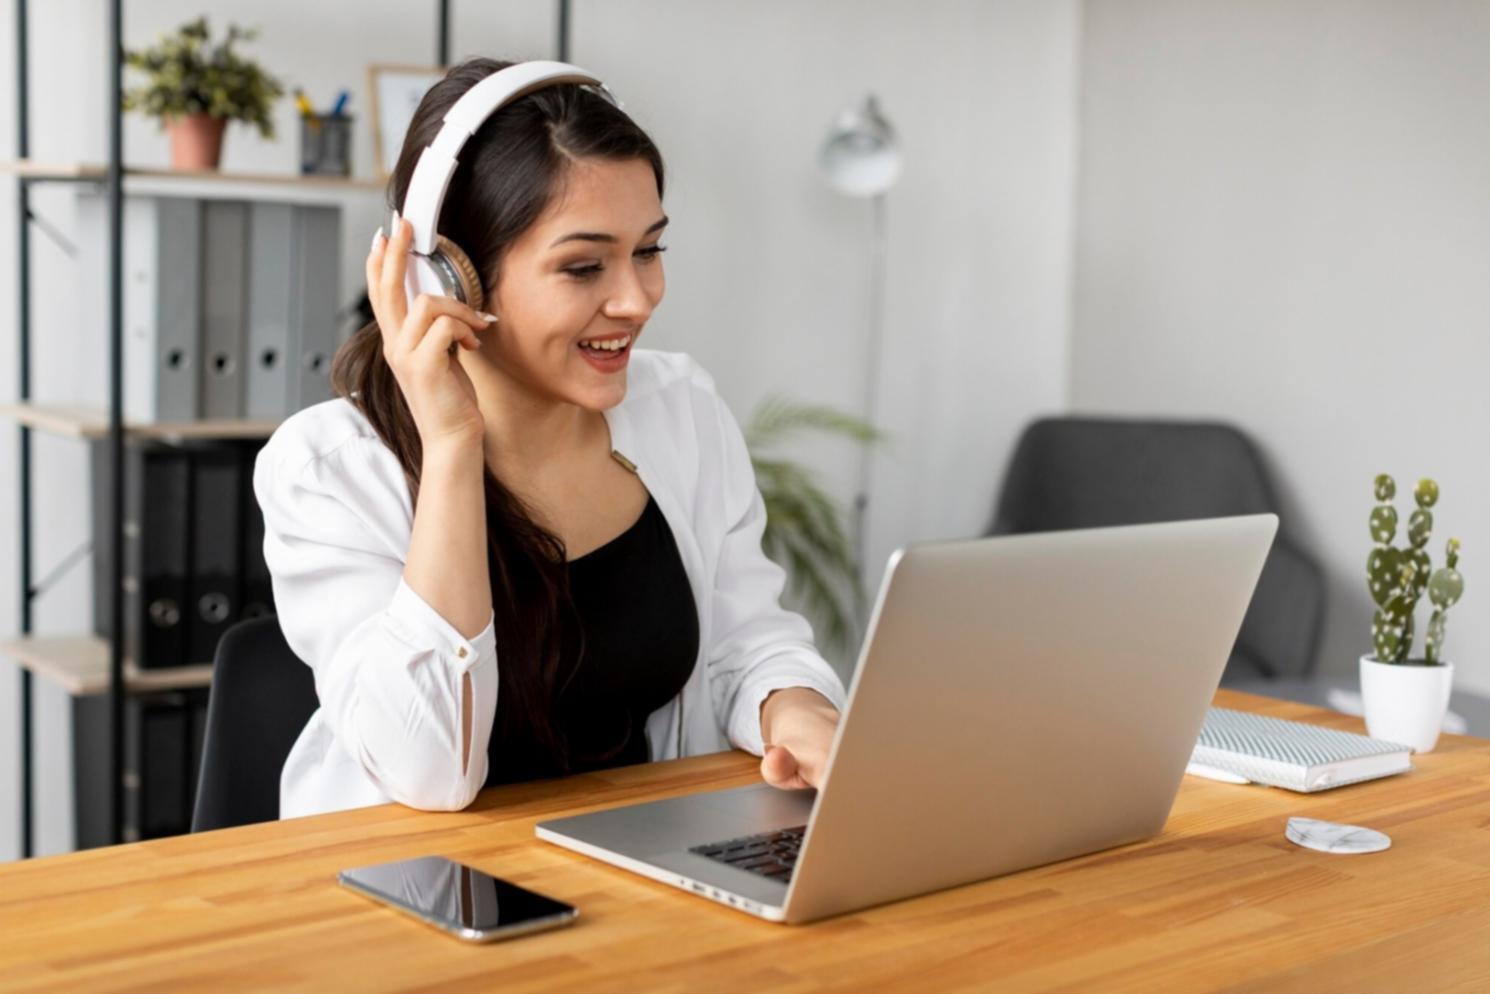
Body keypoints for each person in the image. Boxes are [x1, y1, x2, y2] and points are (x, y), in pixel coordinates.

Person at [254, 57, 848, 820]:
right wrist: (451, 445)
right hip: (415, 891)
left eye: (648, 251)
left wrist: (793, 708)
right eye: (583, 266)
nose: (635, 299)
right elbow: (430, 769)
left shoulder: (681, 411)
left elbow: (748, 640)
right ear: (447, 280)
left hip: (639, 872)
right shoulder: (327, 471)